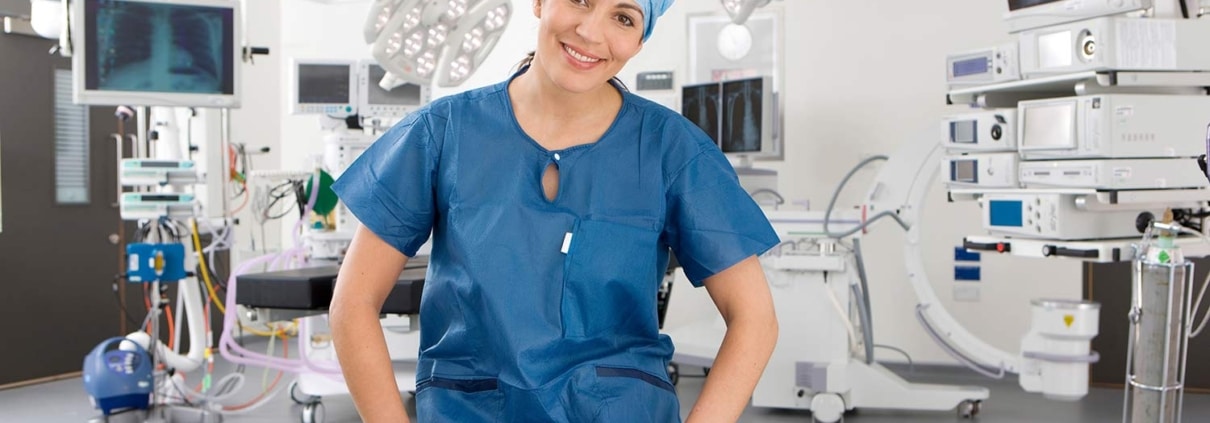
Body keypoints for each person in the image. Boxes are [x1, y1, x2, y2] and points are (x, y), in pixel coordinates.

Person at [329, 0, 780, 421]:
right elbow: (352, 303)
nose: (590, 31)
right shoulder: (441, 133)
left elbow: (754, 319)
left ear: (640, 41)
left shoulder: (672, 150)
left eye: (623, 17)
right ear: (540, 2)